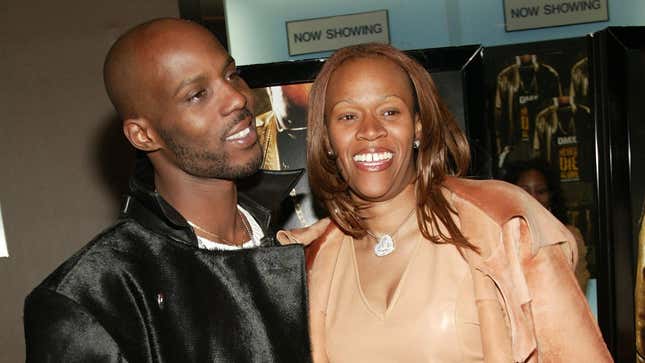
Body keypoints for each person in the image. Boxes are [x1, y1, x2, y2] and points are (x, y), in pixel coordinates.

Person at [281, 43, 612, 362]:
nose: (370, 130)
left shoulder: (504, 225)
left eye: (390, 111)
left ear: (419, 127)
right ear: (326, 139)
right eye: (348, 116)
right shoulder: (313, 262)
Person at [23, 18, 312, 362]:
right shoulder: (92, 299)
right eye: (197, 95)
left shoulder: (308, 247)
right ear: (143, 135)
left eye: (231, 74)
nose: (237, 98)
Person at [504, 158, 590, 292]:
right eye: (525, 191)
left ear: (551, 196)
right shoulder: (502, 236)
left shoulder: (569, 237)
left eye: (541, 191)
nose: (533, 198)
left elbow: (578, 289)